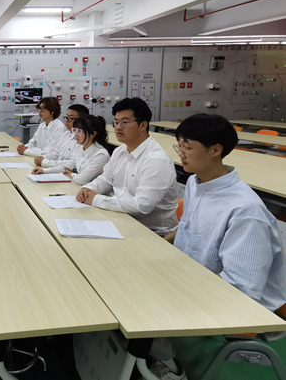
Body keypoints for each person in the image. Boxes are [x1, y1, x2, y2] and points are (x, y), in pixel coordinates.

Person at [142, 114, 286, 380]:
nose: (180, 154)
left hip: (229, 296)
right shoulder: (197, 183)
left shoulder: (245, 211)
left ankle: (170, 368)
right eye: (178, 146)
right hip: (192, 275)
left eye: (187, 147)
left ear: (215, 150)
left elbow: (240, 289)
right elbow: (189, 226)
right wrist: (161, 244)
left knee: (140, 302)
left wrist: (175, 285)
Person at [76, 98, 178, 236]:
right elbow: (106, 180)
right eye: (116, 122)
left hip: (152, 233)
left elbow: (141, 206)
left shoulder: (156, 160)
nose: (118, 127)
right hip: (122, 219)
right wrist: (88, 189)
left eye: (124, 122)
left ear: (143, 125)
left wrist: (96, 199)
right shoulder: (120, 151)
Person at [32, 115, 110, 185]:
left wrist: (72, 174)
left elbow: (82, 179)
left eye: (80, 131)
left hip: (92, 191)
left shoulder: (101, 154)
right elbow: (67, 167)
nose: (76, 134)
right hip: (81, 187)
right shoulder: (80, 148)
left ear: (93, 134)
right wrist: (44, 171)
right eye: (75, 130)